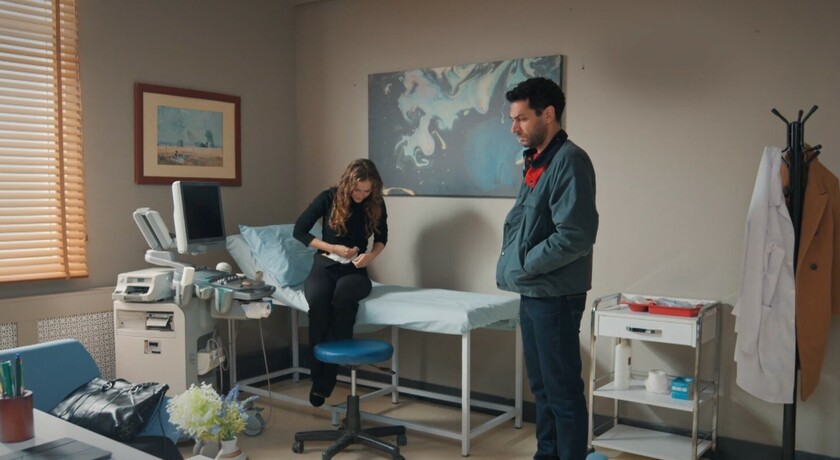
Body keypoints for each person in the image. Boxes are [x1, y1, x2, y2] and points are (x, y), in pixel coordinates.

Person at [495, 77, 598, 460]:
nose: (514, 127)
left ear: (549, 114)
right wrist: (524, 272)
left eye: (522, 118)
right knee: (542, 389)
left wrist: (525, 264)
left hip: (555, 295)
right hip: (534, 291)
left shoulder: (569, 160)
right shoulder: (539, 161)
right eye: (513, 118)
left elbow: (576, 234)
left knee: (562, 392)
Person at [293, 158, 388, 407]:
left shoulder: (375, 203)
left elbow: (382, 237)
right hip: (325, 265)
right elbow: (299, 231)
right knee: (318, 304)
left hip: (354, 271)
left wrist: (370, 257)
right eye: (357, 190)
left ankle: (326, 381)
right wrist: (332, 247)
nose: (361, 195)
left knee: (343, 299)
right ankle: (319, 379)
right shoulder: (328, 198)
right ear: (348, 183)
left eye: (366, 191)